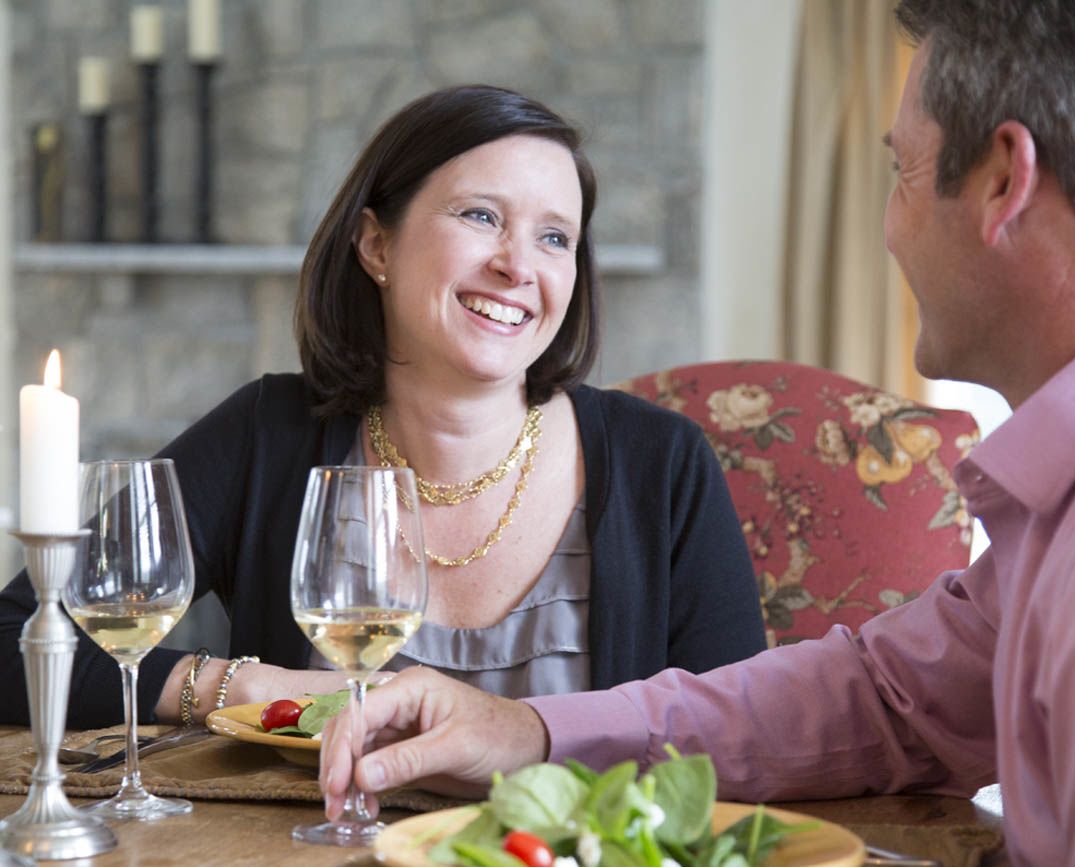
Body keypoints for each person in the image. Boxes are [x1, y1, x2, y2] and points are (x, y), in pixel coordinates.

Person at [319, 3, 1075, 864]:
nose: (889, 229)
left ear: (1001, 182)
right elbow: (883, 696)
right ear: (375, 247)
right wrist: (528, 726)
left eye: (900, 171)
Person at [0, 85, 766, 728]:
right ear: (375, 246)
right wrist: (250, 686)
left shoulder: (660, 461)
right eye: (480, 216)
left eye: (555, 237)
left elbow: (736, 726)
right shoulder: (270, 433)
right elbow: (11, 640)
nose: (516, 266)